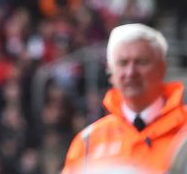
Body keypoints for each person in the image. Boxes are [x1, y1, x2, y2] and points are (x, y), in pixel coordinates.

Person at [62, 23, 187, 174]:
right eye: (123, 63)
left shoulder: (184, 130)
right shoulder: (88, 142)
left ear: (162, 68)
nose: (130, 72)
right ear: (110, 72)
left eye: (141, 62)